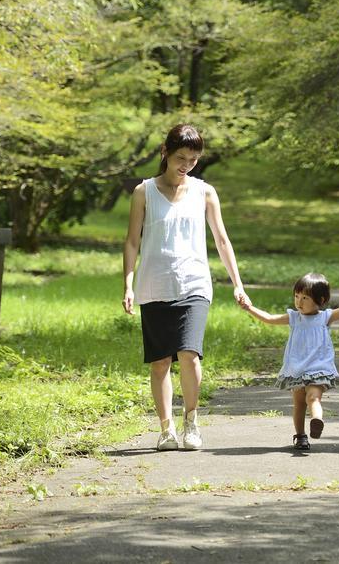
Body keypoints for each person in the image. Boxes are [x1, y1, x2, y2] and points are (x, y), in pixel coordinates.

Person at [122, 124, 249, 451]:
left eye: (193, 160)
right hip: (154, 285)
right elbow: (132, 241)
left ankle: (191, 422)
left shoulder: (204, 192)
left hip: (194, 283)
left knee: (190, 355)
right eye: (181, 158)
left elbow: (222, 239)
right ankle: (166, 429)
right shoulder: (143, 192)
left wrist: (238, 283)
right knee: (161, 361)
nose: (186, 165)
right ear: (165, 151)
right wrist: (127, 283)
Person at [241, 272, 339, 450]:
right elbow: (269, 318)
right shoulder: (294, 318)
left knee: (313, 397)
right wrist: (250, 308)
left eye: (305, 298)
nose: (299, 302)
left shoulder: (325, 317)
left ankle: (317, 419)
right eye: (296, 296)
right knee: (299, 404)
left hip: (318, 368)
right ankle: (301, 436)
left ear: (321, 299)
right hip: (296, 369)